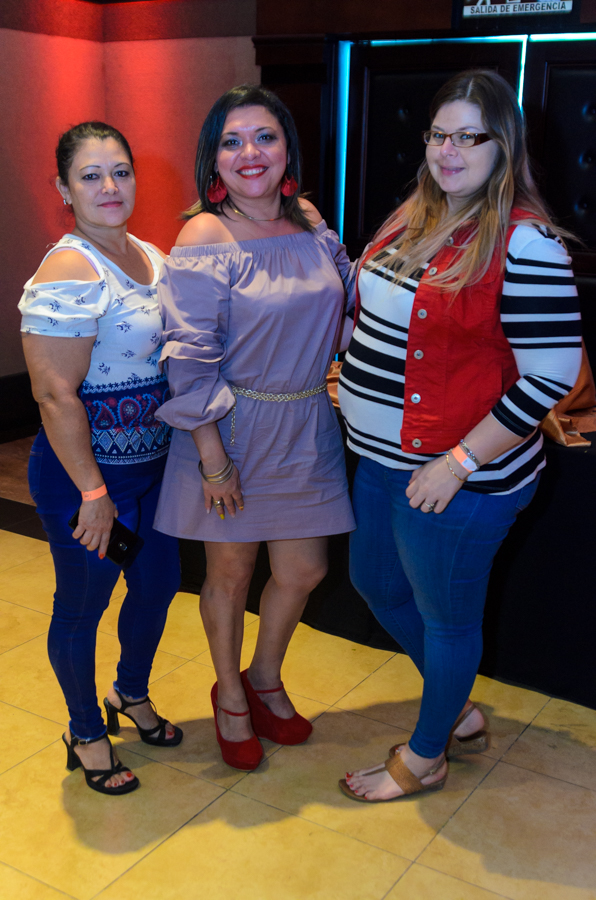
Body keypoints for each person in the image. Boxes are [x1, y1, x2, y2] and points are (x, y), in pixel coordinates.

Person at [337, 70, 582, 802]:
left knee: (447, 622)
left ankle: (426, 756)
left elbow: (550, 375)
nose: (448, 150)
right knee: (376, 585)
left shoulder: (527, 244)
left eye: (469, 137)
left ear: (503, 145)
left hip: (457, 477)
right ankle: (459, 709)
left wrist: (459, 461)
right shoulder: (414, 215)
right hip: (382, 458)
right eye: (439, 134)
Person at [153, 84, 355, 770]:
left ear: (287, 149)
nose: (250, 153)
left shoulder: (310, 221)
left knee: (304, 569)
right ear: (213, 159)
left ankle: (264, 676)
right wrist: (213, 461)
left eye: (265, 137)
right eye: (232, 141)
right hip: (230, 427)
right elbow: (189, 359)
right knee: (232, 572)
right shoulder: (205, 236)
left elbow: (347, 308)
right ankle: (231, 693)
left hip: (308, 417)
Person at [19, 122, 183, 796]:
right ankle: (85, 731)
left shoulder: (150, 254)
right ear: (64, 189)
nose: (110, 186)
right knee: (84, 604)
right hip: (88, 486)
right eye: (90, 176)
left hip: (154, 473)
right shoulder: (68, 271)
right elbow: (54, 394)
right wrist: (93, 493)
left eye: (120, 171)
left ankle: (129, 692)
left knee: (157, 584)